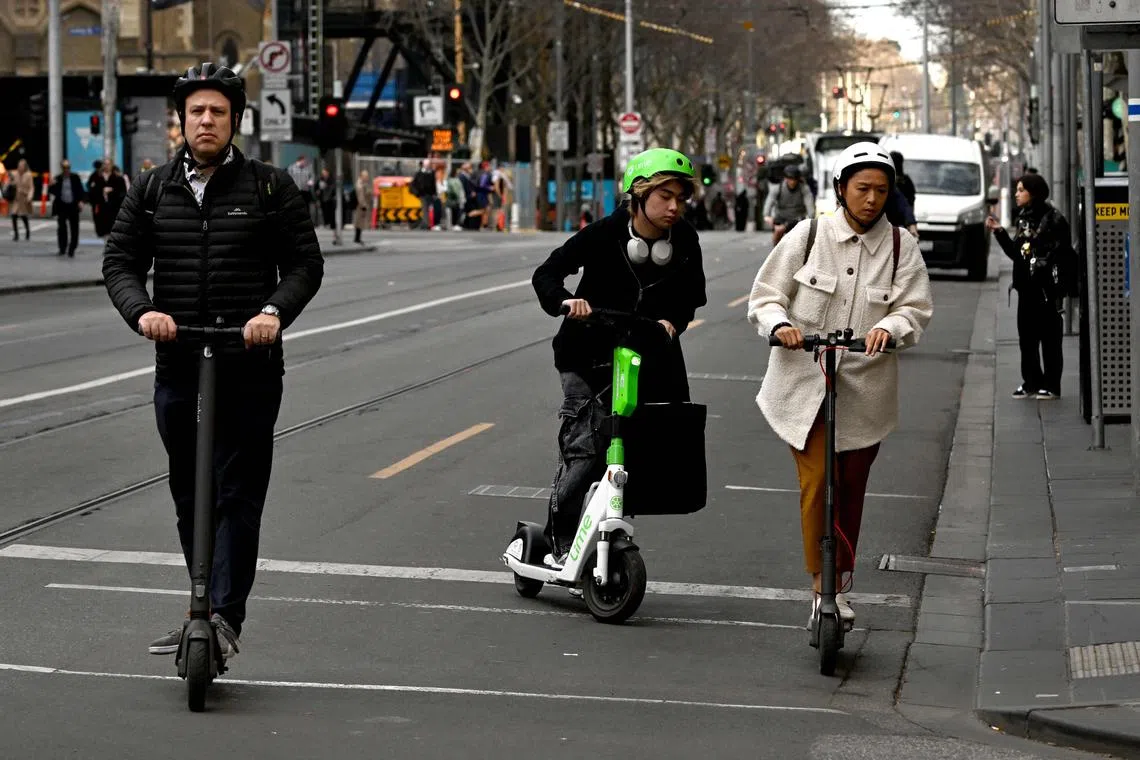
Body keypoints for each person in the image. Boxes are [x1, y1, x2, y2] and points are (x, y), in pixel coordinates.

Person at [102, 62, 324, 660]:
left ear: (234, 122)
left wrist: (273, 313)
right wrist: (142, 312)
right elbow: (119, 262)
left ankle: (223, 616)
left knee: (237, 492)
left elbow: (306, 266)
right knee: (187, 490)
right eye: (196, 111)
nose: (206, 120)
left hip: (247, 364)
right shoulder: (152, 190)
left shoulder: (270, 187)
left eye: (217, 112)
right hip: (179, 361)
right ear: (182, 121)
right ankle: (200, 601)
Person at [746, 141, 932, 628]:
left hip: (864, 394)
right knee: (818, 484)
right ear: (841, 190)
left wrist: (889, 329)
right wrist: (778, 325)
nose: (872, 199)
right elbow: (766, 297)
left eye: (881, 190)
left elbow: (914, 310)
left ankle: (841, 581)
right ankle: (820, 586)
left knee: (850, 487)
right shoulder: (808, 235)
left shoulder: (900, 247)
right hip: (803, 387)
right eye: (863, 188)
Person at [531, 147, 707, 565]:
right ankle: (560, 543)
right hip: (585, 355)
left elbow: (693, 296)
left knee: (643, 444)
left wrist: (673, 322)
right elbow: (547, 273)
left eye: (680, 197)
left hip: (646, 354)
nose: (673, 206)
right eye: (665, 196)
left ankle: (605, 531)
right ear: (639, 195)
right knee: (588, 448)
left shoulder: (684, 239)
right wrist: (567, 302)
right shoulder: (604, 234)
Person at [986, 174, 1074, 400]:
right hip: (1026, 289)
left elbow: (1061, 256)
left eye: (1021, 190)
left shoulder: (1053, 220)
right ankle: (1031, 382)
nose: (1016, 194)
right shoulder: (1024, 218)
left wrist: (1059, 287)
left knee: (1050, 339)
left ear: (1033, 193)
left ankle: (1052, 385)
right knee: (1027, 339)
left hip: (1047, 290)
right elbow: (1018, 254)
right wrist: (999, 232)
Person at [763, 164, 815, 245]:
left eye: (795, 179)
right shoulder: (778, 188)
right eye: (790, 179)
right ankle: (776, 252)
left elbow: (809, 203)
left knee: (802, 240)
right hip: (781, 217)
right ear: (785, 178)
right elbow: (769, 201)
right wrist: (766, 215)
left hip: (797, 218)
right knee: (778, 232)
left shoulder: (804, 188)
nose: (793, 182)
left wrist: (811, 216)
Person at [49, 159, 85, 257]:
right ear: (62, 168)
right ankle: (62, 248)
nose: (66, 170)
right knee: (61, 227)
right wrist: (51, 185)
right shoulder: (58, 178)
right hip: (62, 206)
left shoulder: (75, 177)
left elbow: (80, 190)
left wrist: (81, 201)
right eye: (64, 168)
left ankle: (72, 248)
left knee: (74, 228)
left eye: (68, 167)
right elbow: (53, 191)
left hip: (73, 205)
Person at [88, 158, 127, 237]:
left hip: (113, 207)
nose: (106, 166)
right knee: (102, 230)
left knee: (112, 230)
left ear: (112, 165)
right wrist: (100, 191)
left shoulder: (118, 177)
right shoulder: (97, 176)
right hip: (101, 207)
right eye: (105, 164)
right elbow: (91, 189)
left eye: (108, 164)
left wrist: (112, 190)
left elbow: (122, 192)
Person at [9, 159, 35, 241]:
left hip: (24, 198)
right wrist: (11, 181)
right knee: (13, 215)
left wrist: (29, 197)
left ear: (25, 167)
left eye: (21, 166)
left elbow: (31, 187)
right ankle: (16, 234)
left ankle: (27, 231)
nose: (20, 167)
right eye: (19, 166)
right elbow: (13, 183)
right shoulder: (16, 174)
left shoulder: (28, 175)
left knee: (24, 216)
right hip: (16, 198)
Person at [354, 169, 373, 243]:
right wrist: (364, 205)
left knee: (360, 222)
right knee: (359, 222)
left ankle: (358, 238)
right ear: (362, 176)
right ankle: (357, 238)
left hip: (361, 205)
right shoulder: (360, 184)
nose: (367, 178)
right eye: (366, 176)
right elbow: (360, 196)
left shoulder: (363, 183)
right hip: (360, 206)